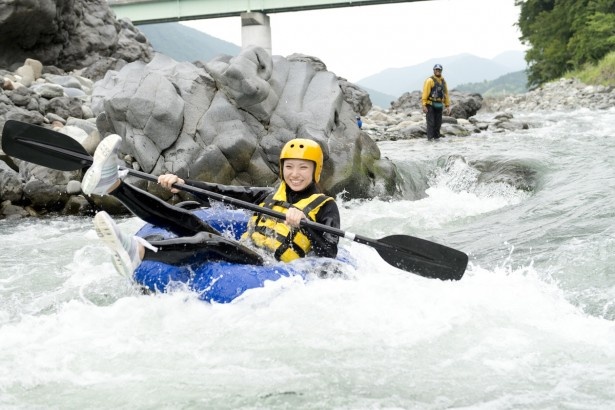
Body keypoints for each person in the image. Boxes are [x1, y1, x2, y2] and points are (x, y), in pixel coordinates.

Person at [82, 135, 341, 277]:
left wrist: (307, 225)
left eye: (303, 168)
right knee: (185, 219)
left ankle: (139, 252)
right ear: (282, 168)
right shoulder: (269, 194)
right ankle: (115, 186)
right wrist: (183, 184)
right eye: (290, 166)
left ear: (315, 171)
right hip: (248, 247)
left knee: (209, 241)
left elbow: (328, 253)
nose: (295, 174)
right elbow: (223, 193)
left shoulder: (324, 207)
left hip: (270, 266)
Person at [421, 63, 451, 140]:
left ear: (441, 71)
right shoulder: (429, 80)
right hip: (430, 104)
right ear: (434, 70)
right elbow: (425, 93)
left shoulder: (443, 81)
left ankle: (437, 140)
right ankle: (430, 140)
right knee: (431, 124)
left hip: (439, 105)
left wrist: (447, 105)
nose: (438, 71)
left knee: (438, 124)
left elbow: (446, 94)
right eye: (436, 69)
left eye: (439, 70)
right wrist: (424, 105)